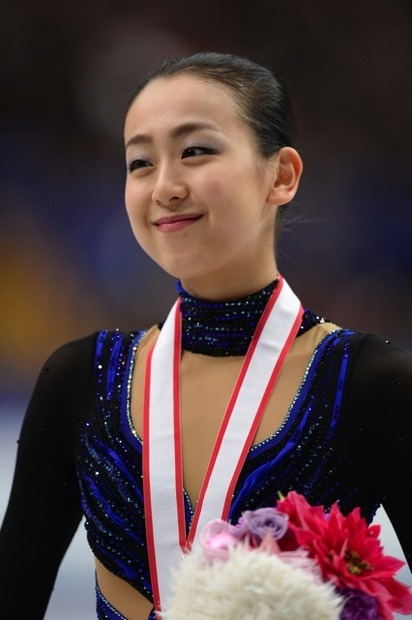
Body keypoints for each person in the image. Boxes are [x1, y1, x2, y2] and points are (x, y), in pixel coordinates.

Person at [0, 51, 411, 620]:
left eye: (196, 151)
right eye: (140, 163)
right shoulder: (79, 381)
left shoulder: (370, 382)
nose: (165, 186)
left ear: (282, 175)